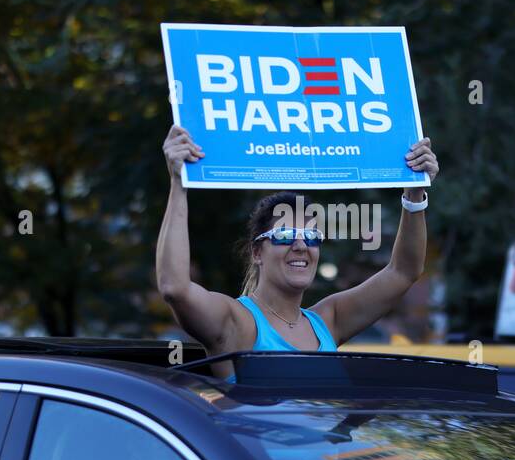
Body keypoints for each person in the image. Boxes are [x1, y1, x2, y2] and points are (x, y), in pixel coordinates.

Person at [156, 124, 439, 381]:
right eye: (284, 236)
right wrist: (178, 184)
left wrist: (414, 195)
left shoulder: (328, 320)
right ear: (257, 252)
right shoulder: (236, 320)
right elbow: (175, 288)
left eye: (312, 237)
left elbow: (404, 272)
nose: (301, 245)